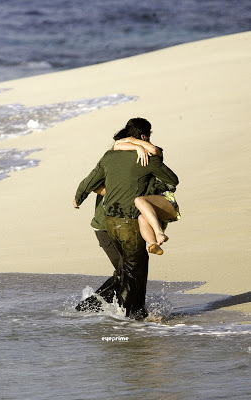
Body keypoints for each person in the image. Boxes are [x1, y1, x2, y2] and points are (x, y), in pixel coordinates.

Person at [73, 118, 179, 319]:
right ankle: (124, 316)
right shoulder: (144, 159)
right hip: (122, 223)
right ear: (144, 137)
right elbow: (172, 180)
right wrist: (150, 190)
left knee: (130, 271)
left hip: (107, 223)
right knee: (130, 272)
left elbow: (88, 183)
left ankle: (128, 312)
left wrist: (78, 198)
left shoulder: (110, 157)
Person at [113, 131, 181, 255]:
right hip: (150, 206)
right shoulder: (137, 152)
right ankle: (152, 244)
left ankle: (159, 232)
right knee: (141, 217)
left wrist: (135, 143)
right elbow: (116, 145)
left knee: (139, 200)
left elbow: (155, 150)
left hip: (165, 200)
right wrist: (137, 146)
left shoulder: (152, 153)